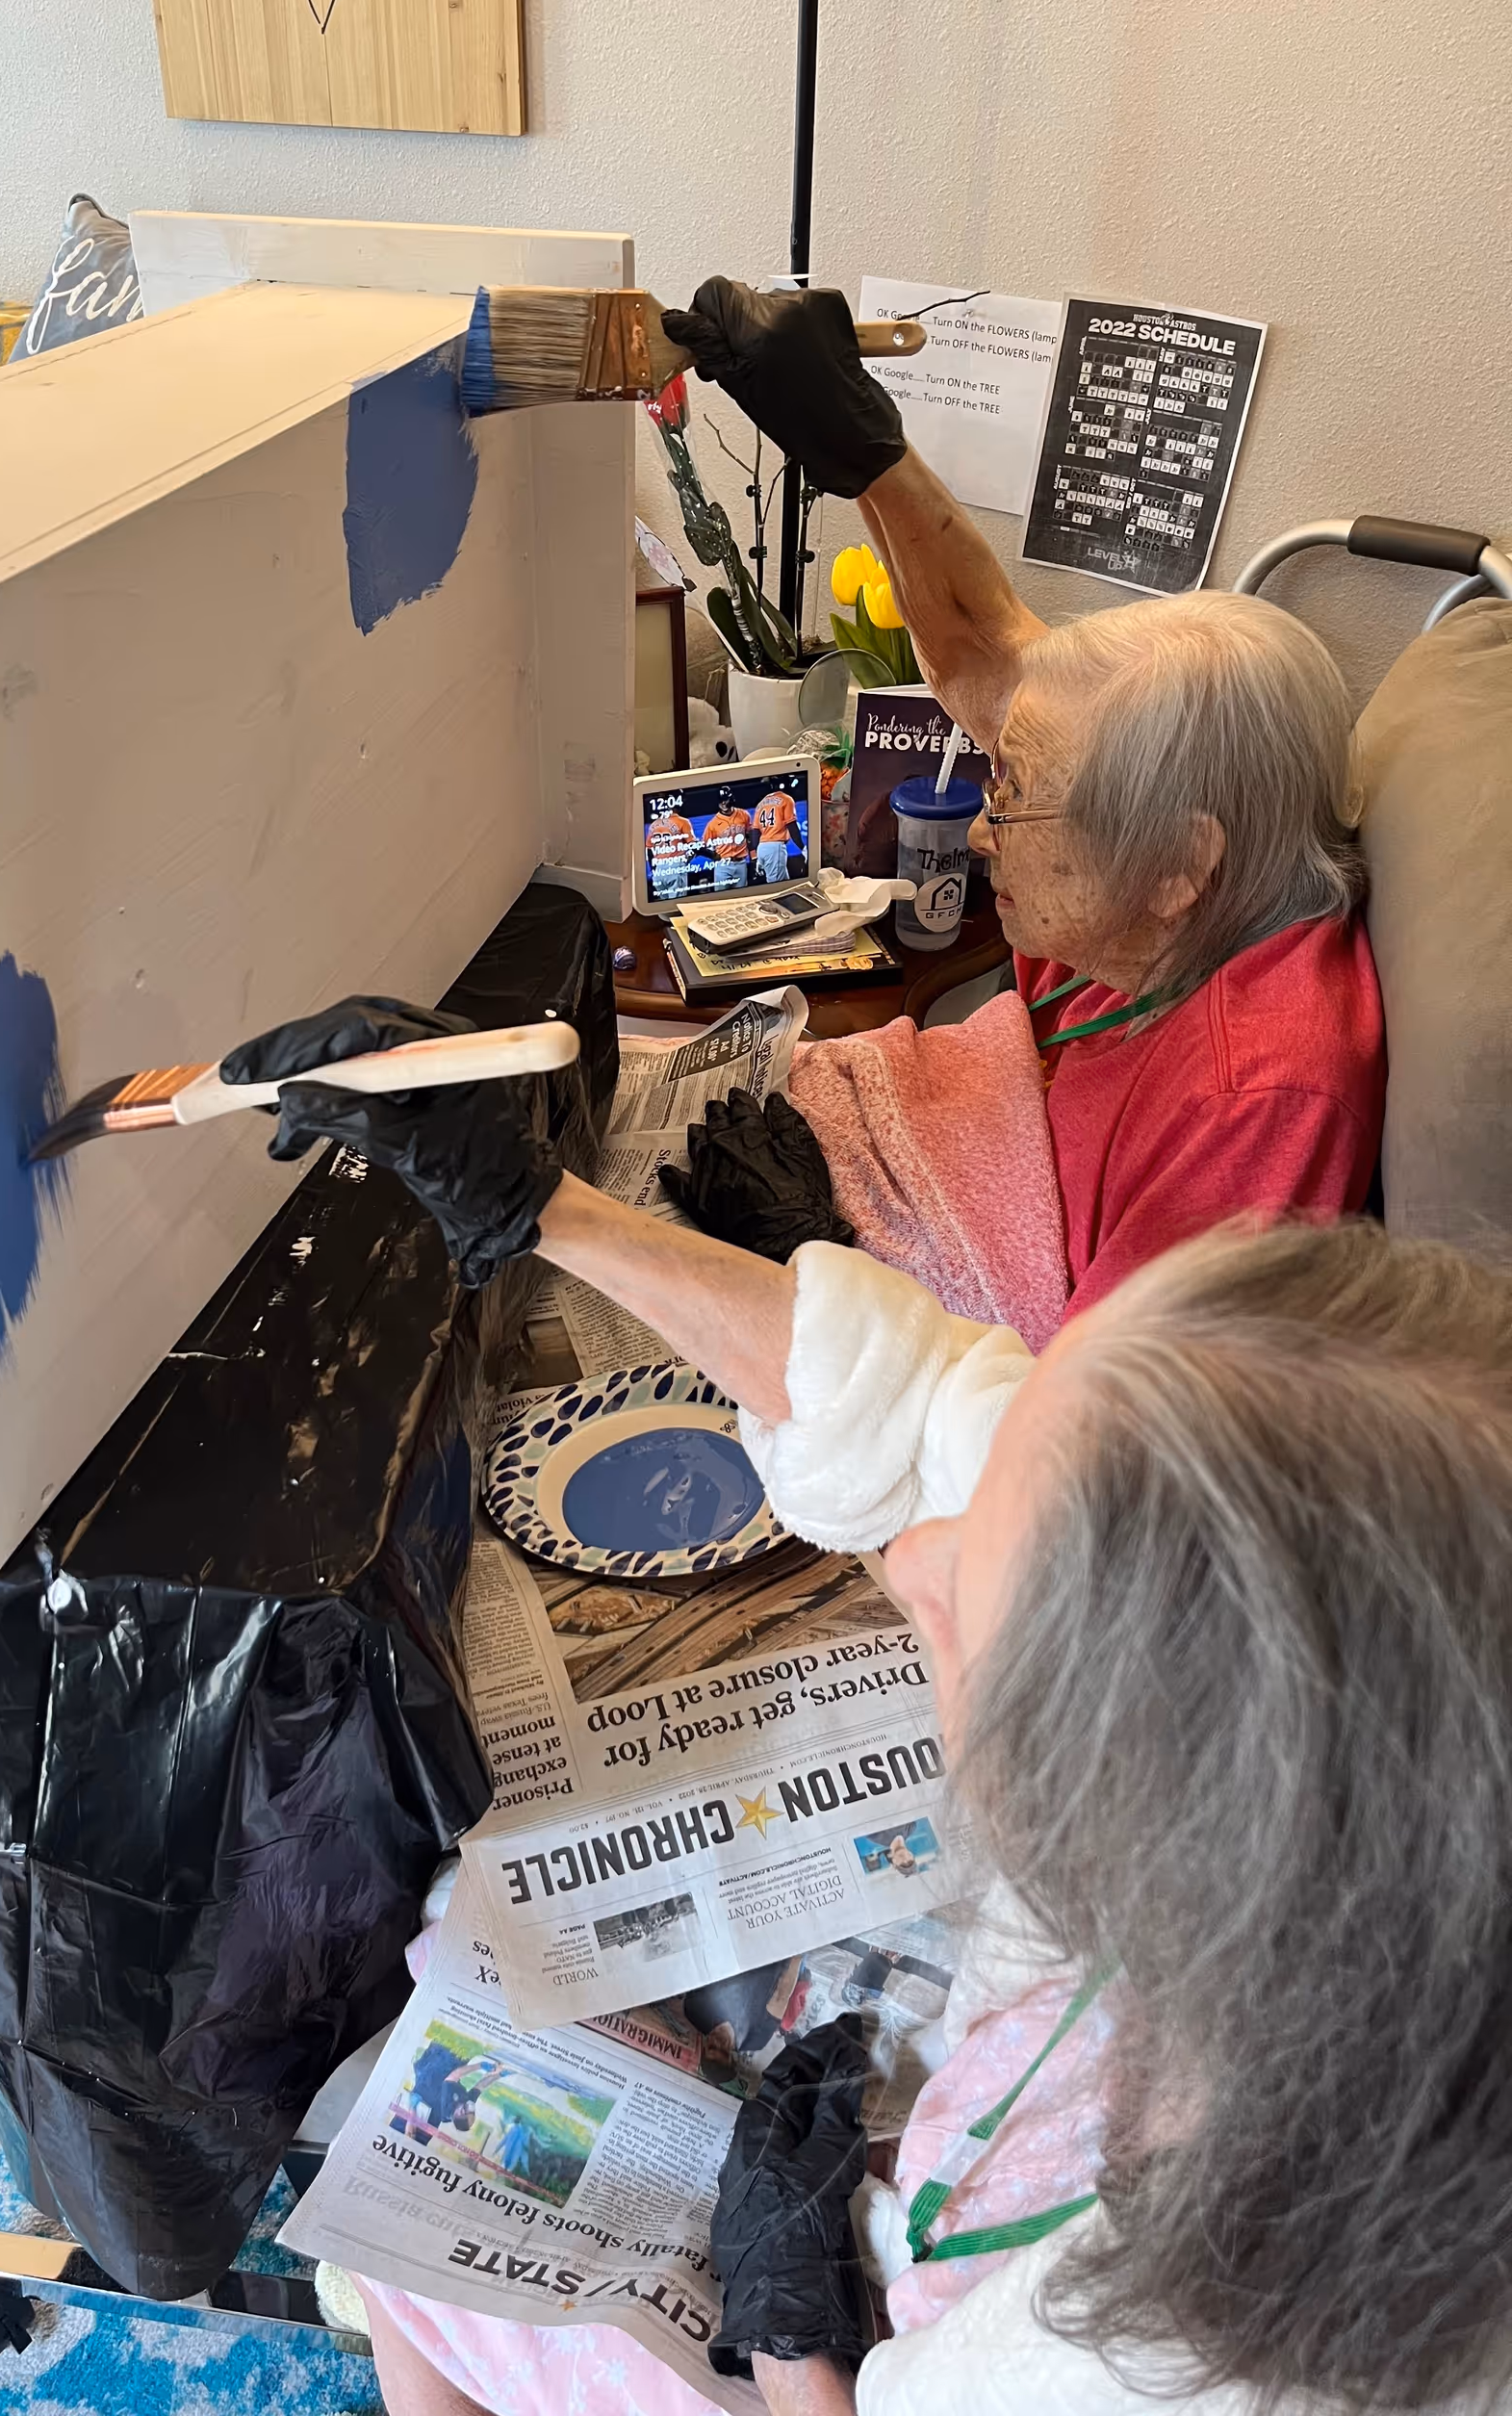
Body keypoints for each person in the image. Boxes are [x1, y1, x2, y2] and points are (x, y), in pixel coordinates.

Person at [217, 1013, 1512, 2416]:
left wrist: (795, 2342)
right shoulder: (1365, 1777)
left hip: (886, 2334)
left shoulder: (1167, 2364)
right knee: (456, 1957)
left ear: (1140, 1835)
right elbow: (946, 1414)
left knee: (422, 2253)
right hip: (1000, 2130)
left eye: (969, 1606)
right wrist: (547, 1211)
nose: (908, 1564)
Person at [651, 281, 1384, 1320]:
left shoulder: (1255, 1096)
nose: (986, 832)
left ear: (1179, 865)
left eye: (1015, 794)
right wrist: (856, 443)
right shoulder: (1169, 873)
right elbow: (985, 655)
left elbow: (1106, 1433)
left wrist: (833, 1271)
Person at [702, 785, 755, 888]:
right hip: (723, 865)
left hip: (741, 863)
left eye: (725, 800)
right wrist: (714, 856)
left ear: (731, 799)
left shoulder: (744, 815)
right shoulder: (713, 823)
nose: (723, 803)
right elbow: (703, 845)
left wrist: (753, 857)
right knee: (722, 898)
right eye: (721, 801)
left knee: (743, 897)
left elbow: (750, 836)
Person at [752, 783, 802, 886]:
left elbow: (755, 832)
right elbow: (791, 825)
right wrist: (803, 847)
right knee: (776, 887)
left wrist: (757, 857)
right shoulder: (786, 799)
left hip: (762, 847)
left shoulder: (760, 804)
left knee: (785, 884)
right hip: (775, 846)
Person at [648, 801, 696, 898]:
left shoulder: (653, 824)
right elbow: (693, 845)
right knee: (677, 906)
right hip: (675, 866)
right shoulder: (683, 821)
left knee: (665, 907)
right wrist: (687, 859)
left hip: (659, 870)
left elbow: (649, 850)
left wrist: (654, 870)